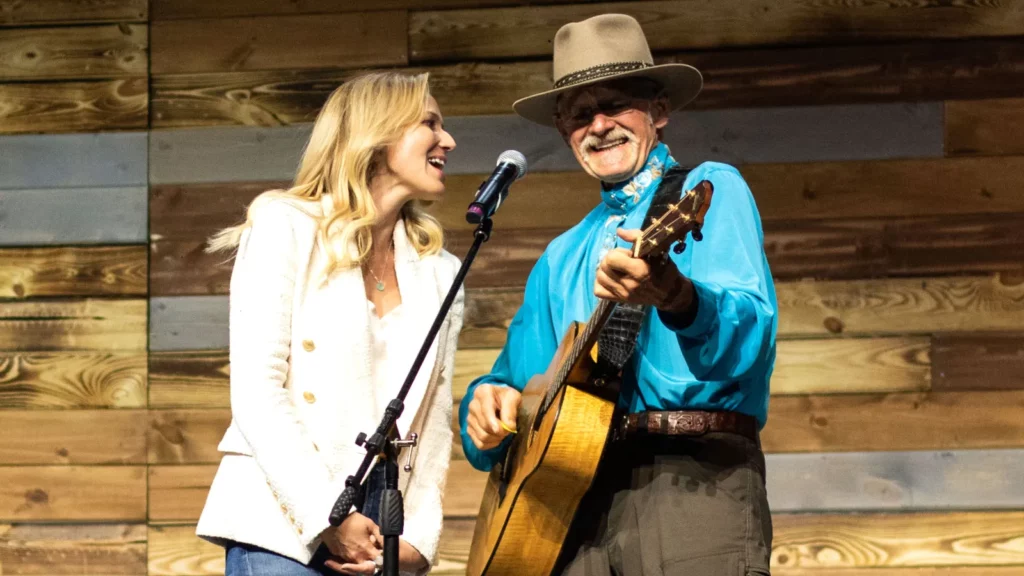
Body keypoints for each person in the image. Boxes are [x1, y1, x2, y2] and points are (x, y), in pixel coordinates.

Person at [460, 14, 777, 576]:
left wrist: (678, 296)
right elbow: (519, 379)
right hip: (567, 501)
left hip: (692, 480)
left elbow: (749, 339)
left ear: (659, 110)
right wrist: (484, 405)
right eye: (581, 113)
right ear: (564, 131)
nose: (599, 124)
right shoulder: (561, 254)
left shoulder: (708, 188)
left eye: (616, 104)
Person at [196, 72, 462, 576]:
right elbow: (257, 392)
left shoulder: (439, 269)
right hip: (283, 521)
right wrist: (327, 515)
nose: (447, 140)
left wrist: (418, 545)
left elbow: (433, 422)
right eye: (430, 123)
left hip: (379, 530)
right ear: (379, 134)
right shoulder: (285, 225)